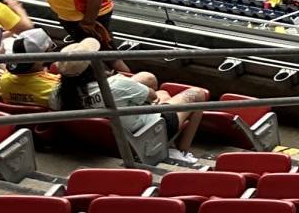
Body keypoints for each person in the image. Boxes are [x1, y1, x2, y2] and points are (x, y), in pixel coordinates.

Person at [56, 38, 205, 165]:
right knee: (197, 94)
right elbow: (153, 97)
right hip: (147, 133)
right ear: (92, 66)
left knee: (163, 93)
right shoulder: (116, 84)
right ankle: (182, 151)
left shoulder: (58, 96)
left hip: (110, 141)